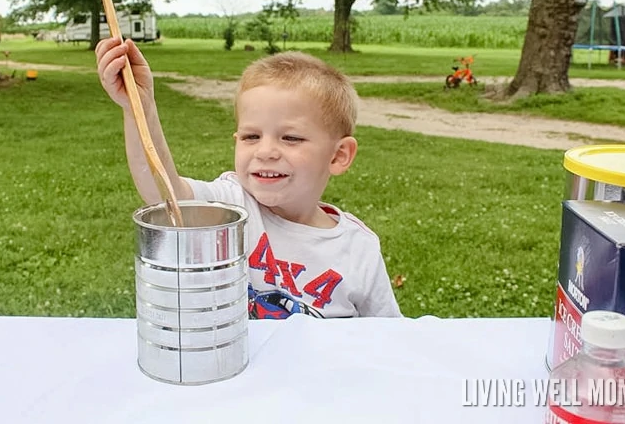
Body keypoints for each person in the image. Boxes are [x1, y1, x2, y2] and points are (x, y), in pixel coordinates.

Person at [96, 37, 402, 319]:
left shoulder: (358, 248)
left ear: (338, 156)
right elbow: (164, 193)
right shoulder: (232, 204)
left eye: (291, 138)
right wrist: (140, 106)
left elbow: (388, 339)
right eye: (251, 136)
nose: (266, 151)